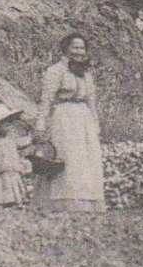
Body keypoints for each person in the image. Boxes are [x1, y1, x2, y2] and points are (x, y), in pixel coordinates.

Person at [37, 33, 106, 212]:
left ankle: (85, 200)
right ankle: (63, 200)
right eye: (75, 47)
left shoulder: (86, 74)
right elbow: (46, 99)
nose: (78, 51)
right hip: (64, 117)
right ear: (65, 49)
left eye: (82, 48)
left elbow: (91, 100)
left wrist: (95, 123)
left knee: (86, 158)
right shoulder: (55, 71)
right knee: (67, 156)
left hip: (84, 119)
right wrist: (41, 123)